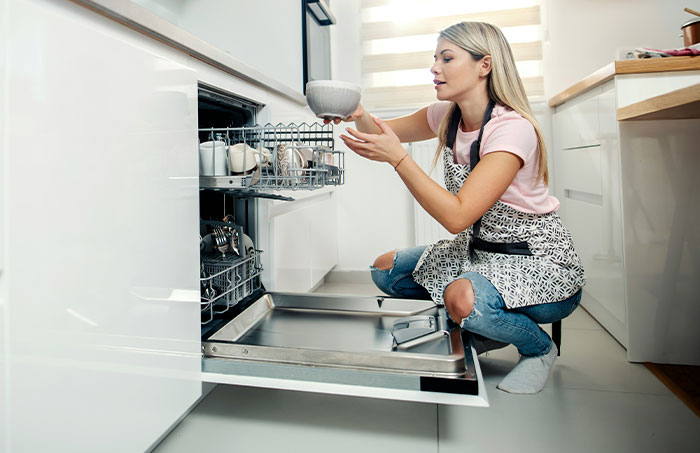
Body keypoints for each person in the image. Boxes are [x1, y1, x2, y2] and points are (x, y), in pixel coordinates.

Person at [329, 21, 586, 394]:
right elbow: (381, 134)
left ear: (484, 65)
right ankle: (483, 326)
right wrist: (356, 113)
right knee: (386, 270)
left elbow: (457, 216)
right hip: (479, 254)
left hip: (538, 262)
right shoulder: (446, 116)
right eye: (435, 58)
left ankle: (539, 348)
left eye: (447, 58)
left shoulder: (511, 129)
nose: (435, 68)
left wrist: (398, 160)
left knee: (463, 299)